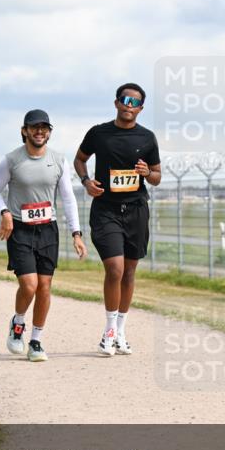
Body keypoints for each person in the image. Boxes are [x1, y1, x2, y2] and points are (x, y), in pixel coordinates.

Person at [0, 109, 86, 362]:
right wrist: (5, 212)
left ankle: (36, 341)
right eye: (34, 127)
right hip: (19, 229)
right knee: (29, 285)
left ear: (49, 132)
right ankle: (18, 323)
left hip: (47, 229)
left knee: (44, 287)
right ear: (25, 131)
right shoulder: (12, 160)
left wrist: (76, 233)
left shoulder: (58, 160)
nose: (39, 131)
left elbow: (67, 198)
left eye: (44, 127)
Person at [74, 83, 161, 356]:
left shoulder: (147, 138)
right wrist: (86, 181)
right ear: (116, 103)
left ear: (141, 108)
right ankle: (109, 331)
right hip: (106, 210)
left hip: (135, 210)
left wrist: (147, 172)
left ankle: (121, 332)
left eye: (134, 102)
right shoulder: (99, 133)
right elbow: (79, 159)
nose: (129, 105)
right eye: (125, 100)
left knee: (130, 272)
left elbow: (157, 177)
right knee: (115, 269)